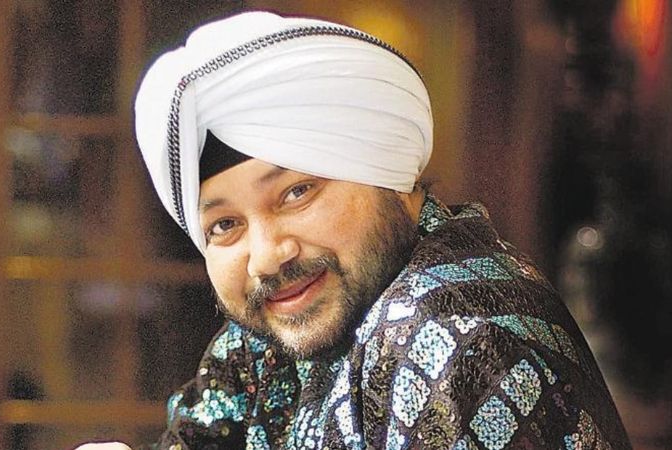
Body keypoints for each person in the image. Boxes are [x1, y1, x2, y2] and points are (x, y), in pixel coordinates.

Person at [79, 11, 631, 450]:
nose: (266, 256)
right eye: (225, 225)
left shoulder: (450, 343)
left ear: (390, 175)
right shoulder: (290, 322)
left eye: (297, 193)